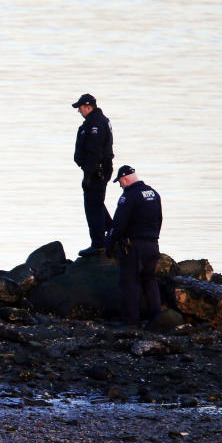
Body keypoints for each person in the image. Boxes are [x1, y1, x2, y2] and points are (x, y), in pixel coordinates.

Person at [108, 165, 163, 327]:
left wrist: (110, 243)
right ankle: (156, 318)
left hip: (135, 245)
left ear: (125, 179)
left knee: (129, 282)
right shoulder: (153, 193)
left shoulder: (129, 196)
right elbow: (159, 219)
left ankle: (131, 321)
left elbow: (119, 224)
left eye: (120, 183)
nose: (120, 186)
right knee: (150, 280)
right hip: (153, 244)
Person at [72, 93, 114, 256]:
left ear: (88, 107)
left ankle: (98, 244)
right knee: (96, 203)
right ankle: (112, 233)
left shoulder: (96, 124)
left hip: (97, 171)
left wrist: (92, 173)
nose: (79, 111)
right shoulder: (98, 121)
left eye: (80, 108)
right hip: (97, 169)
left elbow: (94, 150)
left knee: (93, 206)